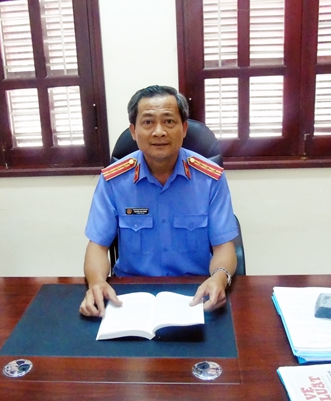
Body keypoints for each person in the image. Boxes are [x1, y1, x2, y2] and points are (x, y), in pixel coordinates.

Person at [79, 85, 238, 317]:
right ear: (133, 131)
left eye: (169, 121)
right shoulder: (113, 180)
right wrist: (96, 283)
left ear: (184, 129)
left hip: (195, 294)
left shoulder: (210, 178)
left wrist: (219, 278)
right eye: (148, 122)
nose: (159, 131)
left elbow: (224, 247)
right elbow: (97, 246)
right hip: (130, 295)